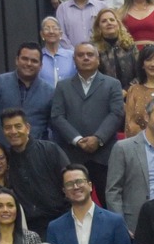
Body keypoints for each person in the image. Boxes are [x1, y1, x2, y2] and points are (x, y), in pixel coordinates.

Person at [49, 42, 127, 192]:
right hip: (73, 155)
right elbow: (57, 116)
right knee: (75, 200)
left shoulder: (113, 84)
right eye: (80, 55)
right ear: (74, 60)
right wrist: (77, 140)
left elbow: (117, 113)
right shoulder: (63, 86)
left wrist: (98, 138)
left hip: (105, 156)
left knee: (109, 200)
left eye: (90, 55)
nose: (85, 58)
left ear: (98, 60)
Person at [105, 95, 154, 225]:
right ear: (147, 117)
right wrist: (121, 225)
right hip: (133, 223)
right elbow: (113, 191)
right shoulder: (123, 148)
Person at [0, 109, 74, 233]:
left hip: (60, 222)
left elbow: (70, 181)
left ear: (27, 128)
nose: (13, 131)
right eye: (8, 128)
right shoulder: (5, 161)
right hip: (26, 228)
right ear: (3, 131)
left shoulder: (50, 150)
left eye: (18, 126)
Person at [0, 42, 53, 144]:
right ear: (17, 60)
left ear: (41, 66)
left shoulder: (49, 92)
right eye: (25, 59)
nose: (29, 63)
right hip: (2, 151)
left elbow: (54, 126)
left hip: (35, 152)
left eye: (34, 61)